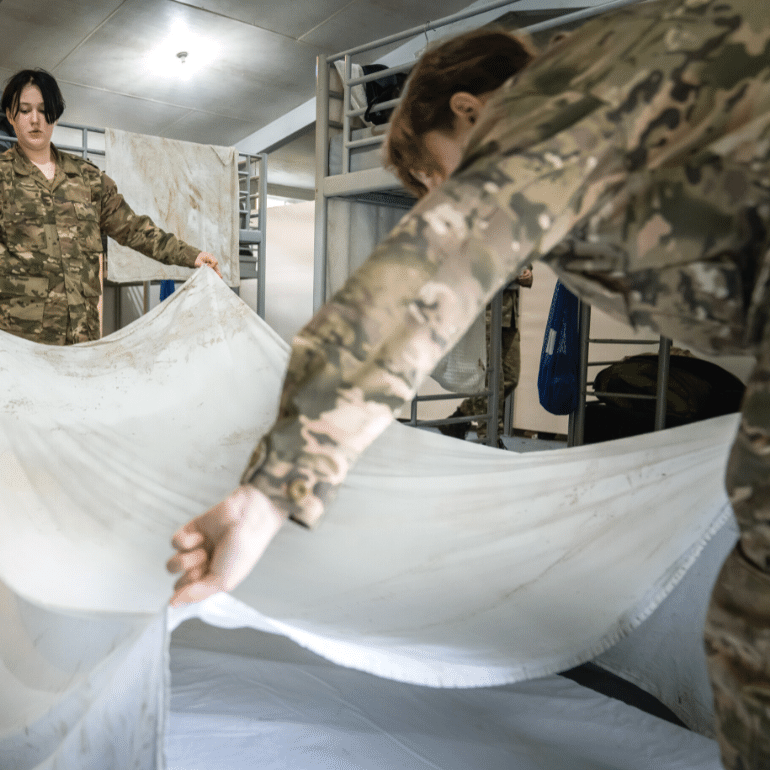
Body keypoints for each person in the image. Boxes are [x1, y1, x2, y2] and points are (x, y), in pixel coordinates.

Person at [166, 2, 770, 766]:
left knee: (754, 623)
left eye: (433, 177)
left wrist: (267, 496)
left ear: (470, 110)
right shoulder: (632, 72)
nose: (436, 199)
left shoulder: (549, 105)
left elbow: (423, 277)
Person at [0, 68, 221, 344]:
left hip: (81, 339)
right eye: (25, 110)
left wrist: (191, 256)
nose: (35, 119)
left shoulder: (88, 178)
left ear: (55, 116)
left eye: (45, 110)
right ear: (10, 115)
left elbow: (134, 228)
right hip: (18, 339)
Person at [438, 265, 531, 444]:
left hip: (509, 314)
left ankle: (459, 418)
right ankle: (489, 440)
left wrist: (528, 271)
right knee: (490, 382)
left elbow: (525, 260)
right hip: (487, 314)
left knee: (511, 377)